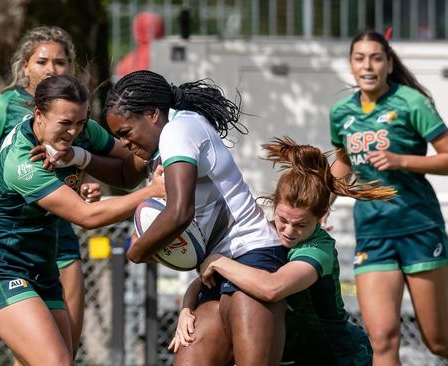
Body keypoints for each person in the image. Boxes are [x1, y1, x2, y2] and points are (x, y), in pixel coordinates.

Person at [0, 26, 145, 358]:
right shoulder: (21, 155)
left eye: (60, 61)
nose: (51, 68)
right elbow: (88, 216)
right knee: (55, 361)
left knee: (55, 356)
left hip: (49, 252)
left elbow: (129, 166)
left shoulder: (76, 123)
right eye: (42, 61)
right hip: (0, 266)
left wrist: (84, 161)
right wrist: (155, 191)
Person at [104, 70, 287, 366]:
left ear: (152, 114)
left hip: (252, 257)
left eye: (125, 132)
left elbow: (179, 212)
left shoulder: (178, 131)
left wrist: (136, 250)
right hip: (213, 270)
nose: (123, 143)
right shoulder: (171, 138)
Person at [172, 137, 395, 365]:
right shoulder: (263, 236)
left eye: (301, 225)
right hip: (291, 355)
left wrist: (218, 260)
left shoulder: (319, 249)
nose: (288, 231)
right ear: (274, 204)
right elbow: (205, 280)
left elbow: (272, 288)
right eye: (283, 219)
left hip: (334, 356)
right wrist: (186, 309)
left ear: (320, 218)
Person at [328, 30, 448, 365]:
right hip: (373, 233)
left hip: (418, 228)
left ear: (389, 64)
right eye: (359, 58)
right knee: (381, 340)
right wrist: (322, 201)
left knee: (438, 341)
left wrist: (402, 161)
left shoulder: (412, 103)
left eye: (376, 57)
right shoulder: (341, 113)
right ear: (351, 65)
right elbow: (344, 162)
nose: (368, 65)